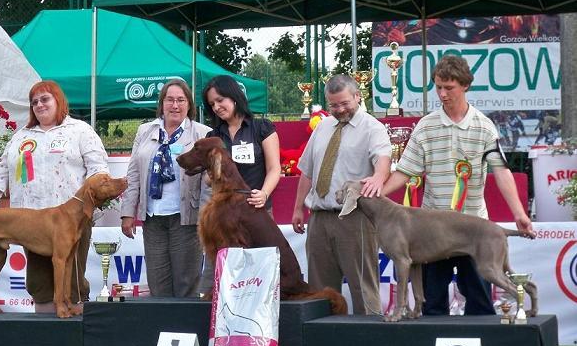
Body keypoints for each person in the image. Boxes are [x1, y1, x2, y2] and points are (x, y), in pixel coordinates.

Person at [381, 55, 534, 316]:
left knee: (481, 306)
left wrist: (519, 214)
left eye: (448, 87)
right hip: (432, 233)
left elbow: (501, 172)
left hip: (473, 228)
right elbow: (404, 173)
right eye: (438, 87)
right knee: (433, 307)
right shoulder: (425, 126)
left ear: (465, 85)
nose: (442, 94)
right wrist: (374, 195)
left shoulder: (484, 126)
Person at [0, 80, 110, 311]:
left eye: (45, 99)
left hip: (70, 220)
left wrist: (100, 194)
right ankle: (43, 336)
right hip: (31, 222)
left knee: (72, 286)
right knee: (40, 287)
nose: (39, 105)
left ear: (59, 100)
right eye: (34, 102)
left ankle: (72, 336)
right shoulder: (21, 137)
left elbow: (98, 171)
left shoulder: (80, 131)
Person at [291, 75, 392, 315]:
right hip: (319, 218)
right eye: (333, 105)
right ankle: (323, 339)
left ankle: (369, 342)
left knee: (363, 287)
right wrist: (297, 208)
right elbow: (307, 170)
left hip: (355, 218)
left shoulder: (372, 128)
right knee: (319, 291)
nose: (339, 110)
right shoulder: (323, 126)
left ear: (358, 96)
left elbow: (383, 160)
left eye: (345, 103)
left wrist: (379, 177)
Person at [120, 79, 211, 297]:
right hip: (153, 218)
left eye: (181, 100)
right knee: (158, 283)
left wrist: (205, 217)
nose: (175, 105)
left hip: (187, 219)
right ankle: (162, 330)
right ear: (161, 104)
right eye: (170, 100)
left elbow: (209, 182)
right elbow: (133, 173)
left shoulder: (203, 133)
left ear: (189, 105)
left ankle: (185, 331)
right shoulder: (144, 131)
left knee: (186, 283)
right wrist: (127, 212)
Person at [199, 75, 281, 294]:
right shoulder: (213, 136)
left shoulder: (262, 127)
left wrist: (263, 194)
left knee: (261, 274)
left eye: (220, 100)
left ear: (235, 97)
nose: (216, 107)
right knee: (222, 274)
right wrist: (214, 171)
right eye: (212, 104)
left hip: (257, 210)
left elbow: (275, 169)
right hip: (224, 216)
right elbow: (208, 179)